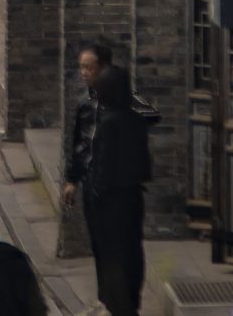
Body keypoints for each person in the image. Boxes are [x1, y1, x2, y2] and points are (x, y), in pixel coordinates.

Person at [77, 66, 152, 316]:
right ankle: (131, 299)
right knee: (132, 249)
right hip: (133, 196)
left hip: (111, 200)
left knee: (112, 253)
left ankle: (119, 305)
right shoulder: (136, 120)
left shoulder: (109, 123)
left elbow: (104, 165)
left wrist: (95, 193)